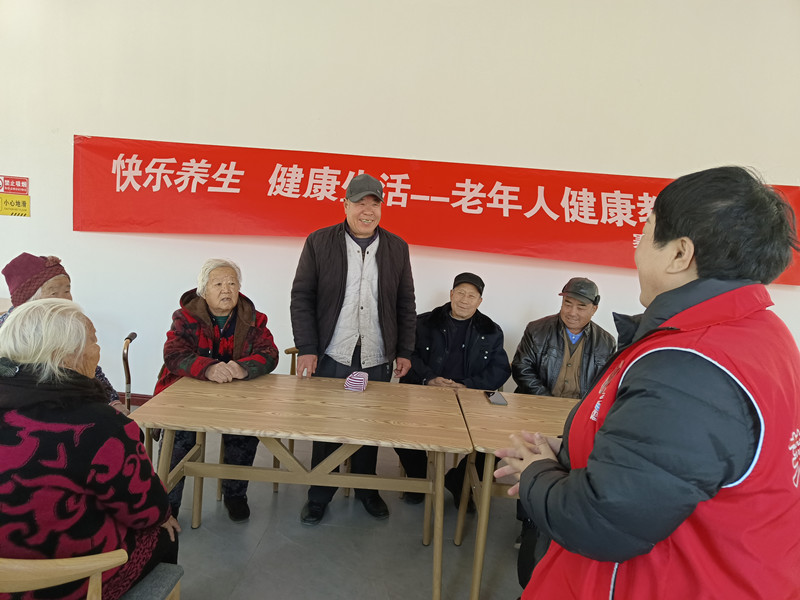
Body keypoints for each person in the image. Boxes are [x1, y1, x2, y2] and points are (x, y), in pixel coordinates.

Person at [495, 166, 800, 600]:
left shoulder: (691, 365)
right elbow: (672, 463)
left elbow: (602, 522)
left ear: (679, 254)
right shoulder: (759, 332)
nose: (637, 247)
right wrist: (576, 449)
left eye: (645, 231)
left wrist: (535, 471)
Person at [0, 299, 180, 600]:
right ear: (65, 355)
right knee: (166, 530)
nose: (98, 351)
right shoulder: (100, 425)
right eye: (94, 341)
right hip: (66, 583)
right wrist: (163, 514)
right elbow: (147, 510)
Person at [291, 172, 416, 525]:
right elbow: (302, 297)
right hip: (333, 352)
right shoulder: (319, 242)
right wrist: (307, 347)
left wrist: (405, 350)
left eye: (374, 203)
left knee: (369, 427)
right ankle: (319, 493)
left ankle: (366, 490)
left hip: (376, 353)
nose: (367, 210)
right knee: (327, 426)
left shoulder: (397, 247)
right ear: (345, 205)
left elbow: (405, 302)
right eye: (360, 202)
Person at [154, 258, 279, 523]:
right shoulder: (185, 317)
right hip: (188, 396)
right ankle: (168, 506)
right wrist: (208, 368)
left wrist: (243, 367)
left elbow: (269, 353)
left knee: (244, 434)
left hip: (237, 397)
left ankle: (235, 494)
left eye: (232, 283)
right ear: (204, 290)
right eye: (218, 284)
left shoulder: (253, 318)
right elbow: (173, 355)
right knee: (179, 438)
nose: (226, 290)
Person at [510, 276, 616, 576]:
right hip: (537, 407)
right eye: (567, 304)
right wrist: (547, 402)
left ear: (594, 309)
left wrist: (581, 413)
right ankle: (527, 522)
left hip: (578, 417)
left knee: (571, 465)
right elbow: (521, 368)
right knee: (533, 463)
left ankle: (559, 521)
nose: (572, 312)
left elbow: (605, 385)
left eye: (580, 307)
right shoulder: (537, 329)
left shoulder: (607, 342)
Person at [399, 272, 510, 506]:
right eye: (460, 293)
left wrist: (467, 385)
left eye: (471, 296)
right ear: (451, 294)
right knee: (399, 427)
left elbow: (501, 369)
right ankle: (419, 479)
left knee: (497, 438)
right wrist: (429, 378)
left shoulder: (491, 330)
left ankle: (460, 482)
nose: (464, 300)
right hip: (426, 393)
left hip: (471, 397)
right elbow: (407, 355)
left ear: (480, 301)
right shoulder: (423, 322)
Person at [1, 252, 128, 414]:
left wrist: (113, 401)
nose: (63, 299)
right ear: (29, 301)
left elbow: (88, 365)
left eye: (67, 291)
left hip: (68, 403)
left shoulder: (69, 324)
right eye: (54, 293)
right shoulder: (8, 330)